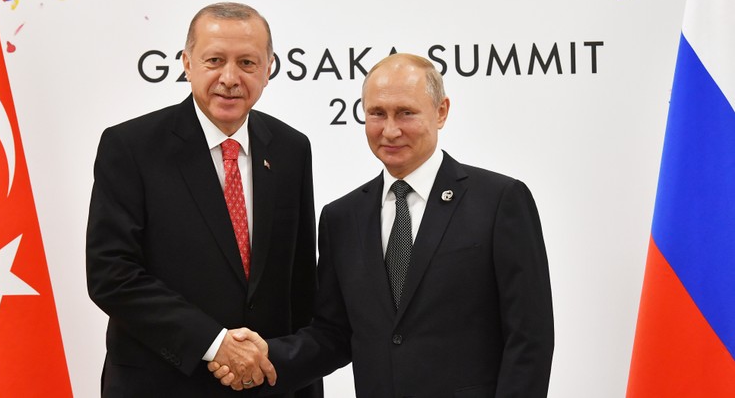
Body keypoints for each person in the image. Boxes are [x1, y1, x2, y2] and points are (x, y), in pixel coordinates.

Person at [211, 53, 554, 397]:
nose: (390, 130)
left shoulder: (498, 201)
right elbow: (334, 334)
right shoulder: (342, 218)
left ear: (441, 111)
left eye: (406, 112)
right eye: (377, 113)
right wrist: (268, 356)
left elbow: (529, 338)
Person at [86, 2, 322, 397]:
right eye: (214, 60)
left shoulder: (290, 149)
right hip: (160, 385)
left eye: (247, 63)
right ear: (187, 63)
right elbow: (112, 275)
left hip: (265, 386)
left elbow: (300, 288)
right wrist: (215, 343)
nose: (229, 78)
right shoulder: (130, 147)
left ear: (268, 69)